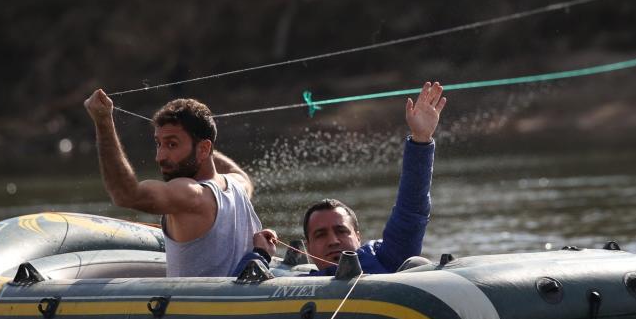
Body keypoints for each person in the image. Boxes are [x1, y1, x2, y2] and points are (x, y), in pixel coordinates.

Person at [237, 81, 446, 276]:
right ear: (308, 249)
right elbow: (239, 293)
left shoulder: (387, 259)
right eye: (320, 235)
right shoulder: (300, 285)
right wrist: (261, 255)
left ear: (358, 237)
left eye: (341, 231)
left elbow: (411, 211)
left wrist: (421, 140)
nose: (333, 241)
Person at [84, 89, 261, 277]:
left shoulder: (191, 195)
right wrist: (200, 150)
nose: (159, 157)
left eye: (172, 144)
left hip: (192, 306)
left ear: (203, 148)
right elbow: (239, 173)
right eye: (158, 143)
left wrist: (103, 121)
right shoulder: (238, 185)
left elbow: (125, 195)